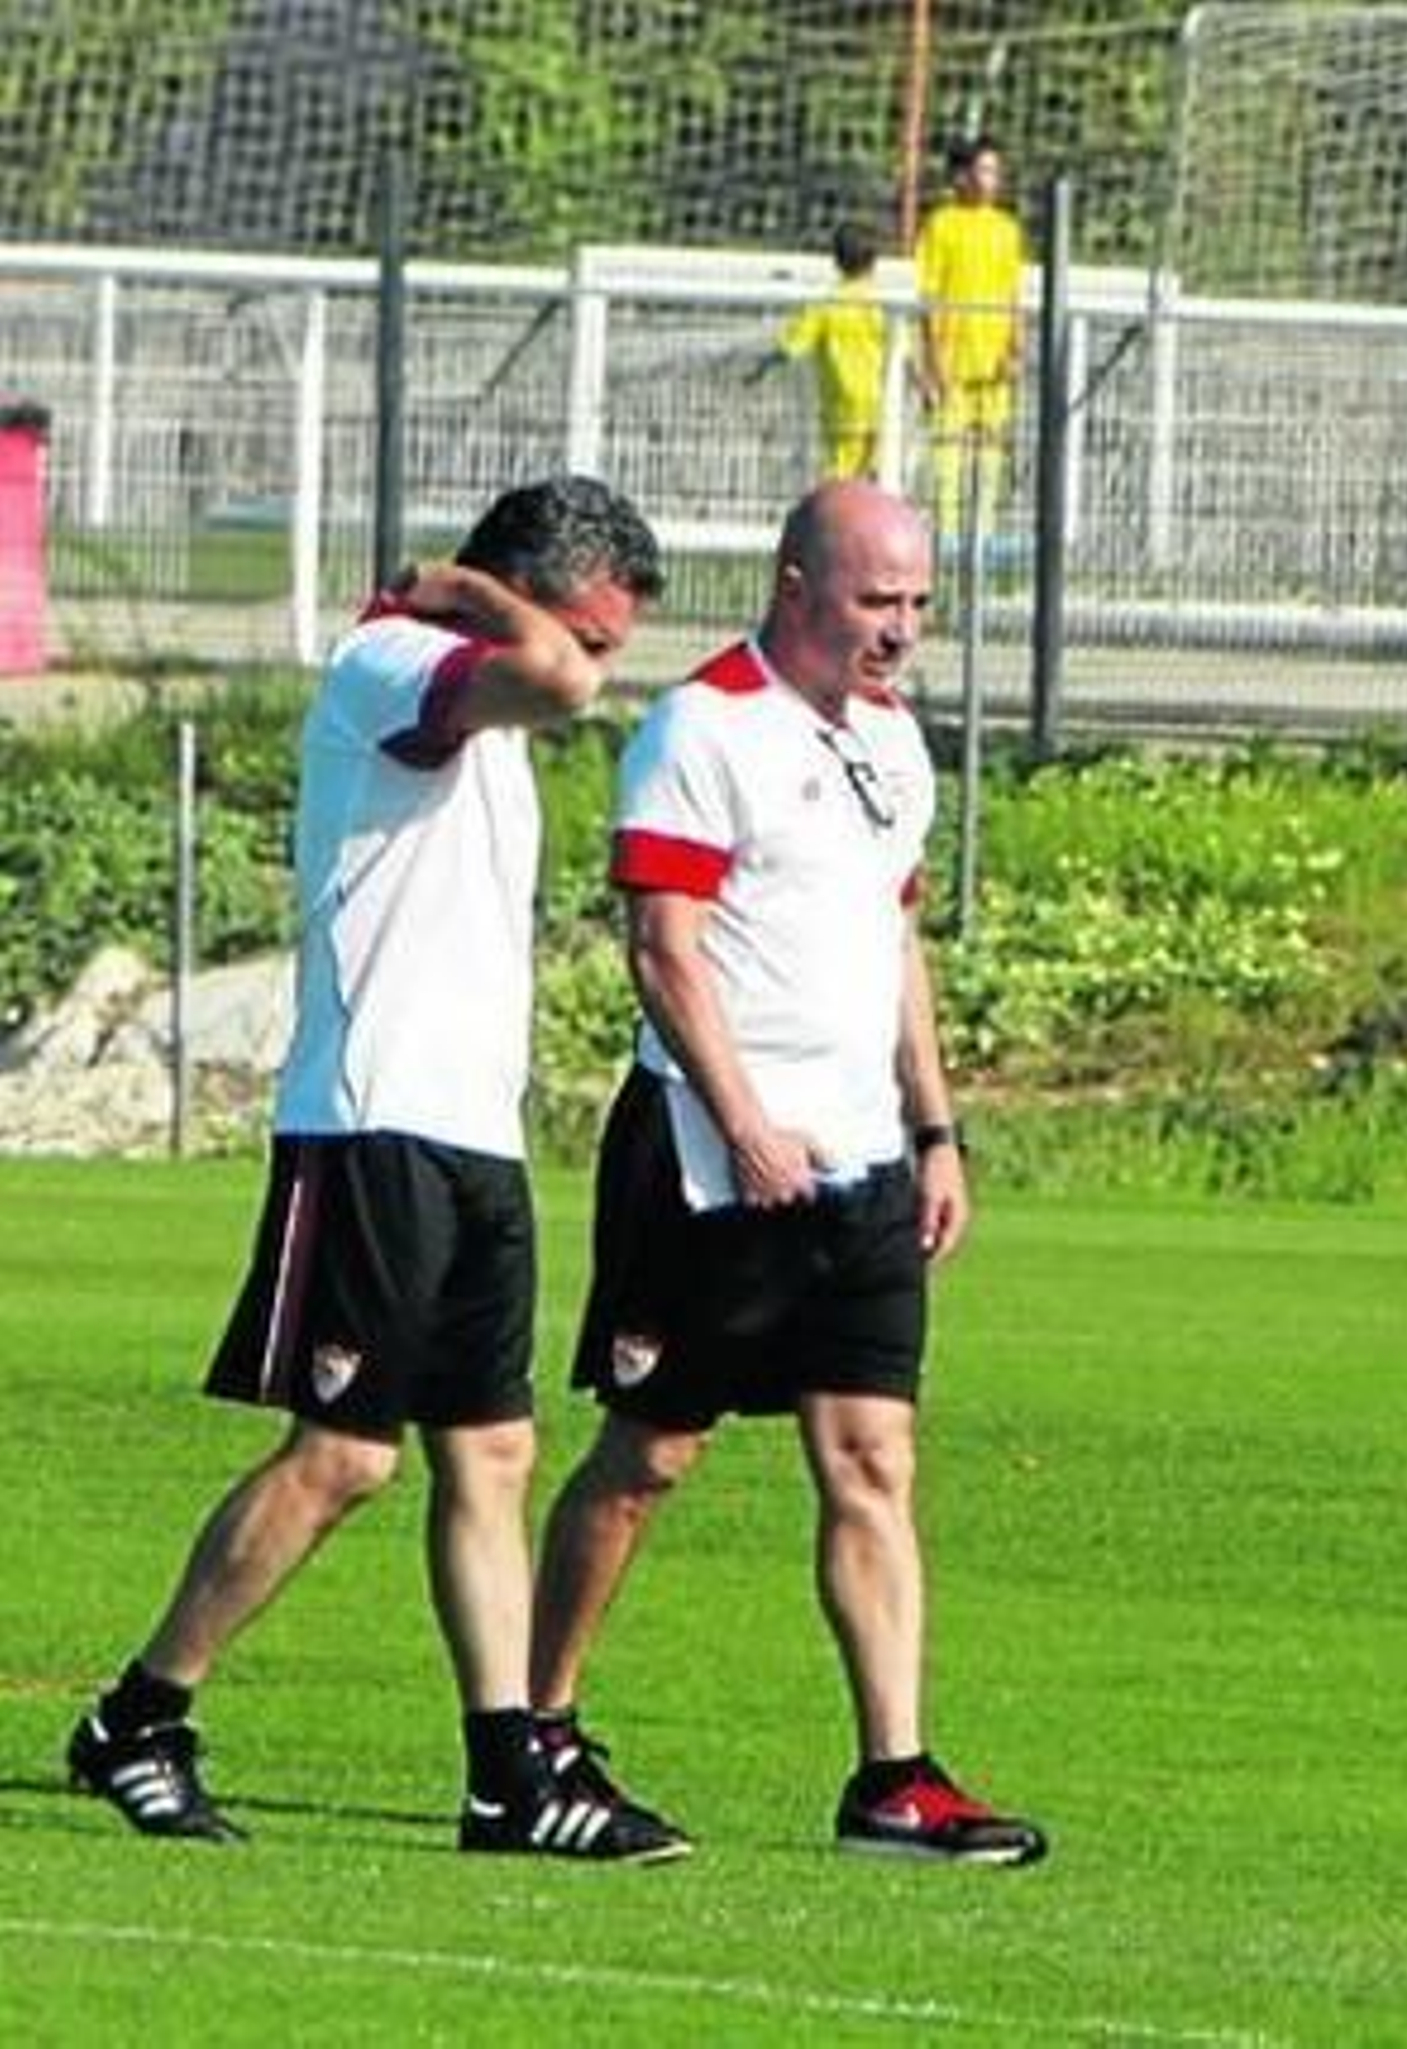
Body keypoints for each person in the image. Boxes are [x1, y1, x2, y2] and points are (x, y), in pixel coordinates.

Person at [65, 475, 691, 1863]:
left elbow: (552, 683)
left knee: (495, 1451)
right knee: (345, 1455)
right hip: (370, 1125)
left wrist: (511, 619)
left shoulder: (480, 682)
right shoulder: (393, 659)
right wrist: (461, 591)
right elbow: (553, 682)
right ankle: (139, 1716)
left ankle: (506, 1775)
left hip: (472, 1134)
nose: (596, 670)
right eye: (590, 628)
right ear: (518, 593)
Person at [525, 478, 1048, 1867]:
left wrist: (935, 1131)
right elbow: (663, 946)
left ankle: (893, 1775)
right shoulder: (702, 728)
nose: (902, 630)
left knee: (874, 1455)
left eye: (920, 602)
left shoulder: (894, 742)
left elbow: (896, 949)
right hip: (712, 1162)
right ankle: (540, 1730)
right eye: (880, 600)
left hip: (866, 1164)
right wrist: (744, 1114)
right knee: (652, 1454)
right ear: (797, 582)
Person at [913, 134, 1027, 540]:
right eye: (983, 170)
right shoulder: (941, 225)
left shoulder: (1007, 229)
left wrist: (1017, 347)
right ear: (960, 176)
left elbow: (1014, 294)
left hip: (993, 364)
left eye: (996, 171)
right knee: (947, 453)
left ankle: (983, 535)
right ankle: (947, 536)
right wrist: (930, 361)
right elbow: (926, 295)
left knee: (991, 452)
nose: (991, 179)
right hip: (952, 363)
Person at [762, 220, 888, 480]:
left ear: (836, 261)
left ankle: (839, 517)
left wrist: (761, 366)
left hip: (839, 403)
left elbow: (790, 347)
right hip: (878, 400)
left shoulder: (825, 305)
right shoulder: (884, 304)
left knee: (840, 470)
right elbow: (901, 349)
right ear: (874, 261)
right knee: (873, 468)